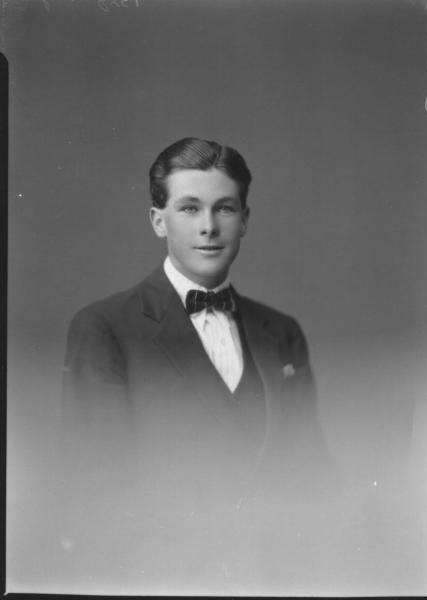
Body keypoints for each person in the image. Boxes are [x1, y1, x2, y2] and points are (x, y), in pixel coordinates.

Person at [59, 137, 334, 592]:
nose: (209, 226)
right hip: (160, 580)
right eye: (189, 209)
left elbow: (312, 473)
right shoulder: (103, 327)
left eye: (224, 208)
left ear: (244, 221)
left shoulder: (281, 332)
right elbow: (95, 488)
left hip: (273, 580)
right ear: (157, 221)